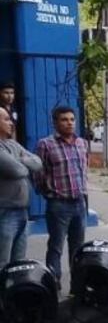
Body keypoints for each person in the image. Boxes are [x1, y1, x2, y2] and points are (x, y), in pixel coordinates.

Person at [35, 106, 89, 290]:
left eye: (72, 119)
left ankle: (78, 286)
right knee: (56, 247)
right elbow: (38, 173)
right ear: (55, 123)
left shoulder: (82, 143)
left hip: (79, 203)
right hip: (58, 205)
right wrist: (48, 193)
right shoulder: (45, 145)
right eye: (64, 120)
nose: (69, 123)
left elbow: (84, 170)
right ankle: (53, 286)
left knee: (78, 248)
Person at [0, 108, 41, 268]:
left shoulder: (12, 144)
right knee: (3, 262)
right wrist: (23, 161)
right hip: (5, 212)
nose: (11, 123)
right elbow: (18, 171)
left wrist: (18, 160)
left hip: (22, 211)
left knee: (18, 262)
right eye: (6, 119)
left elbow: (38, 163)